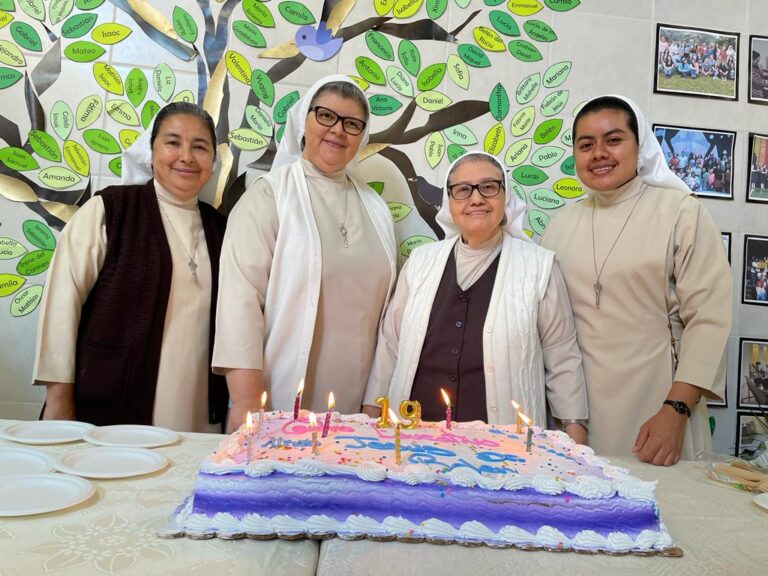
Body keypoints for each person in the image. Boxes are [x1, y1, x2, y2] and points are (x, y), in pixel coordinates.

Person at [541, 95, 731, 465]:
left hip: (658, 408)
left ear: (639, 144)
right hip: (576, 417)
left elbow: (708, 320)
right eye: (586, 145)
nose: (599, 154)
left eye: (613, 140)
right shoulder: (559, 226)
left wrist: (676, 410)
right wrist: (565, 419)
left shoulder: (680, 212)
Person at [213, 75, 397, 432]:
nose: (338, 130)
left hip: (357, 407)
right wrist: (247, 403)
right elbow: (239, 304)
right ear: (303, 120)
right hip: (275, 397)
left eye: (352, 123)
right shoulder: (269, 196)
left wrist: (375, 401)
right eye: (326, 115)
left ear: (362, 136)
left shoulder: (377, 208)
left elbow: (388, 318)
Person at [363, 151, 588, 443]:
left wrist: (575, 438)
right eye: (463, 190)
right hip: (411, 438)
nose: (477, 198)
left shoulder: (539, 266)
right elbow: (389, 345)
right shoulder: (420, 261)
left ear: (505, 196)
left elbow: (562, 357)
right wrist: (370, 417)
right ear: (449, 201)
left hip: (505, 447)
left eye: (489, 187)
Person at [33, 102, 227, 432]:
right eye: (173, 142)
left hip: (197, 406)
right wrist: (59, 399)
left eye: (199, 147)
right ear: (151, 153)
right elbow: (62, 307)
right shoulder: (109, 211)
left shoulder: (221, 229)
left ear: (212, 160)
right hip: (113, 403)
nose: (186, 156)